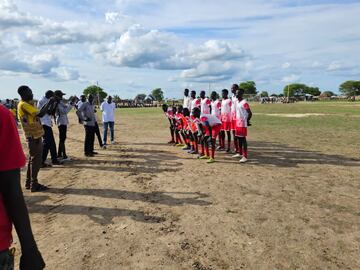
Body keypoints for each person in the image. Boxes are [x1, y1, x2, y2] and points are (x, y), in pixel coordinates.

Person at [0, 104, 45, 269]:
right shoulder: (9, 112)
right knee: (35, 161)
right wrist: (30, 248)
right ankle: (33, 183)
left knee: (36, 161)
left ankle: (32, 182)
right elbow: (11, 189)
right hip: (32, 138)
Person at [17, 85, 54, 192]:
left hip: (34, 137)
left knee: (32, 161)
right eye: (30, 91)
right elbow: (41, 114)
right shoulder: (24, 105)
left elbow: (38, 112)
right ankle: (34, 184)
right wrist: (50, 102)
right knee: (36, 162)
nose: (32, 93)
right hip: (34, 137)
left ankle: (29, 183)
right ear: (23, 94)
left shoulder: (26, 104)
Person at [37, 90, 62, 166]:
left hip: (47, 123)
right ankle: (42, 161)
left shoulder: (48, 100)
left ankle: (53, 159)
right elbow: (45, 112)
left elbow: (51, 112)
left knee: (51, 143)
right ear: (49, 95)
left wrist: (56, 103)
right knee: (47, 143)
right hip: (43, 123)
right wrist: (51, 102)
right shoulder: (42, 101)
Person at [55, 90, 75, 161]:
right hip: (61, 122)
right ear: (57, 96)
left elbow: (66, 107)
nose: (62, 97)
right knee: (62, 138)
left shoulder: (59, 102)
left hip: (63, 122)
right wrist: (71, 104)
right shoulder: (57, 103)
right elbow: (64, 111)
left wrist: (71, 102)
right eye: (61, 95)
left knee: (62, 138)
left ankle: (59, 154)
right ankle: (64, 155)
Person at [234, 88, 252, 163]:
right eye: (236, 93)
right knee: (238, 138)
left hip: (242, 123)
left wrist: (247, 121)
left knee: (243, 139)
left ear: (241, 94)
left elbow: (250, 113)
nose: (236, 94)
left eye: (238, 93)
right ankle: (240, 153)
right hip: (237, 122)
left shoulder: (244, 102)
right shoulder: (238, 102)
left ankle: (245, 156)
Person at [230, 84, 239, 153]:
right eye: (231, 88)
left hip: (238, 118)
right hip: (232, 117)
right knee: (233, 133)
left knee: (238, 134)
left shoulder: (239, 97)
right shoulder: (232, 97)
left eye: (233, 88)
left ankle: (239, 148)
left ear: (237, 89)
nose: (231, 89)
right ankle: (236, 148)